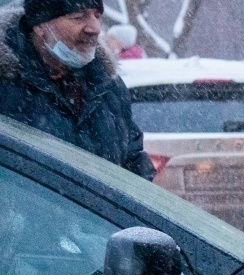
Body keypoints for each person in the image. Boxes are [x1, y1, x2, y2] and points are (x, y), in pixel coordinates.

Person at [0, 0, 154, 179]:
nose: (94, 28)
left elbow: (133, 161)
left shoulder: (107, 85)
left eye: (97, 16)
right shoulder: (6, 83)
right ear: (41, 25)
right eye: (78, 17)